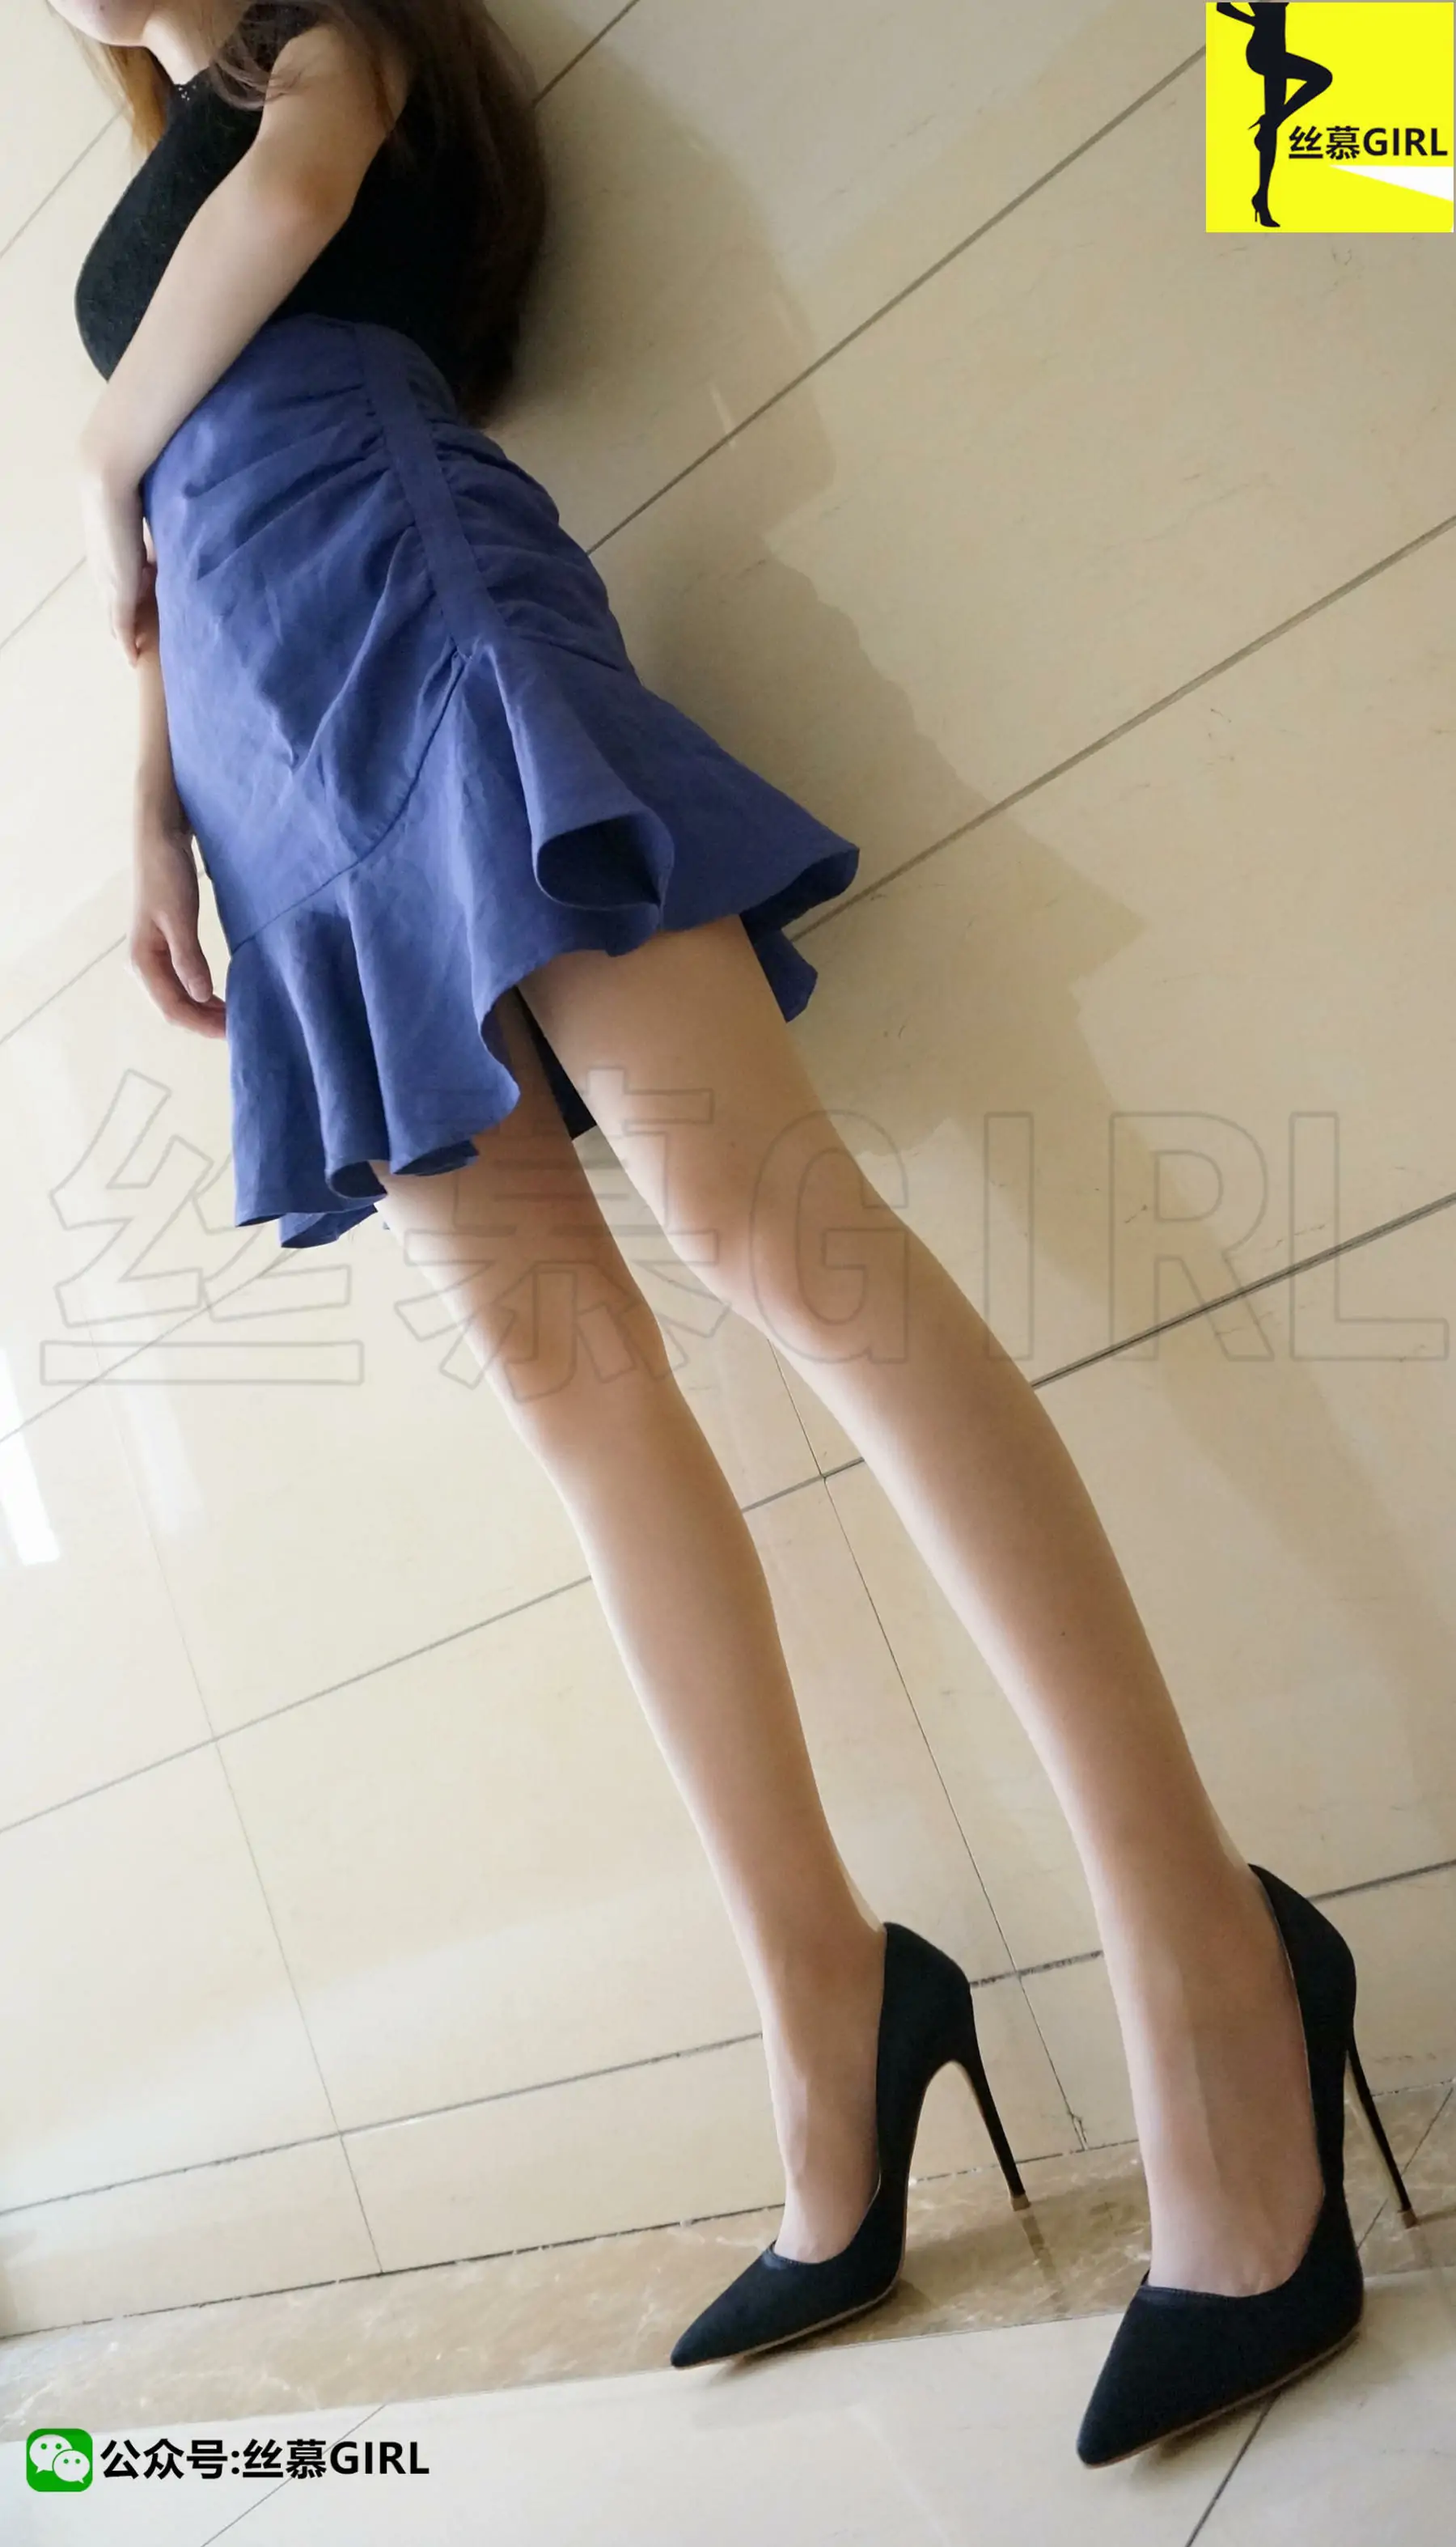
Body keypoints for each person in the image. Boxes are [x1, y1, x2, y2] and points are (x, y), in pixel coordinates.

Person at [61, 0, 1411, 2462]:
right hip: (264, 757)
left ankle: (1211, 1963)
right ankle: (830, 2004)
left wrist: (88, 451)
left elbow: (298, 203)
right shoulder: (147, 181)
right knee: (566, 1388)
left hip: (408, 595)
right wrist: (148, 798)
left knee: (783, 1238)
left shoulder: (310, 52)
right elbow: (155, 562)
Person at [1216, 2, 1334, 227]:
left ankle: (1262, 197)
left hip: (1277, 53)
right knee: (1322, 77)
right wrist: (1253, 21)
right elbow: (1222, 6)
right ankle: (1272, 121)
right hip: (1263, 54)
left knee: (1271, 130)